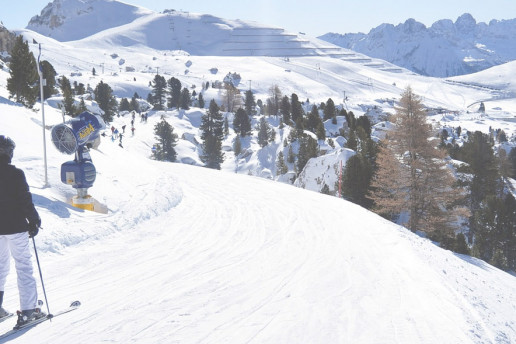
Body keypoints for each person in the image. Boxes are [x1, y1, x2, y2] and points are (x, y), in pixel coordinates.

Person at [0, 135, 45, 327]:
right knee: (23, 267)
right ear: (8, 152)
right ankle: (28, 311)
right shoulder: (15, 173)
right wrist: (34, 220)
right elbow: (24, 199)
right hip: (16, 227)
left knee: (0, 268)